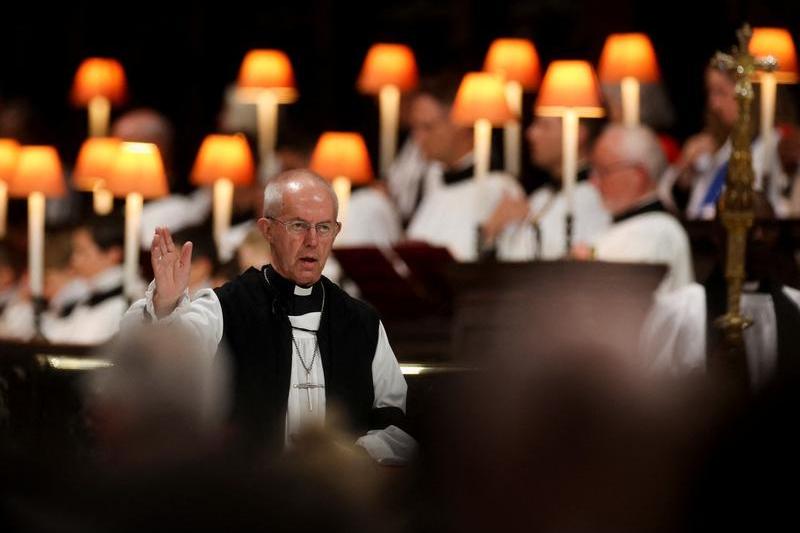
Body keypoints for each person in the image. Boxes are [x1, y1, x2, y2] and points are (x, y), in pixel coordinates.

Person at [124, 169, 415, 464]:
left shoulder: (361, 322)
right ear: (267, 230)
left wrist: (355, 455)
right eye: (299, 225)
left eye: (324, 228)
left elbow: (397, 422)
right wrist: (166, 303)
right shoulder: (225, 307)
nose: (312, 241)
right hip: (249, 499)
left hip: (336, 502)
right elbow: (159, 371)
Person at [405, 73, 523, 261]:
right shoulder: (433, 181)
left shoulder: (500, 188)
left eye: (427, 127)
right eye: (415, 128)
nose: (418, 139)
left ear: (460, 123)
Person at [660, 64, 796, 219]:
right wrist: (685, 167)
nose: (713, 104)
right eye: (710, 92)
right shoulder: (721, 145)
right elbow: (668, 199)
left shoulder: (775, 143)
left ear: (747, 94)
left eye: (720, 92)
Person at [486, 114, 611, 260]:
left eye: (544, 125)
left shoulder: (594, 196)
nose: (531, 133)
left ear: (576, 133)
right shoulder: (541, 196)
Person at [588, 124, 693, 292]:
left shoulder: (660, 230)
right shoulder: (625, 223)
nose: (593, 182)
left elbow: (623, 298)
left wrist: (583, 265)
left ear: (638, 175)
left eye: (603, 171)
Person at [43, 216, 128, 344]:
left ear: (112, 254)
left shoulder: (124, 300)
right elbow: (59, 335)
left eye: (81, 251)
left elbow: (82, 344)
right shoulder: (89, 293)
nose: (73, 260)